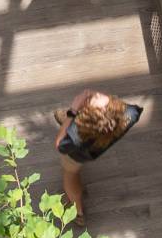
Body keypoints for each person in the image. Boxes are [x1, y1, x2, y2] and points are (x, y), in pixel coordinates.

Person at [52, 89, 143, 220]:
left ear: (85, 121)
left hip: (78, 155)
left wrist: (73, 111)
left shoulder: (76, 139)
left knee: (70, 176)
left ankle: (78, 212)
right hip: (98, 145)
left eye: (90, 101)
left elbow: (59, 144)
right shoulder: (130, 113)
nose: (94, 94)